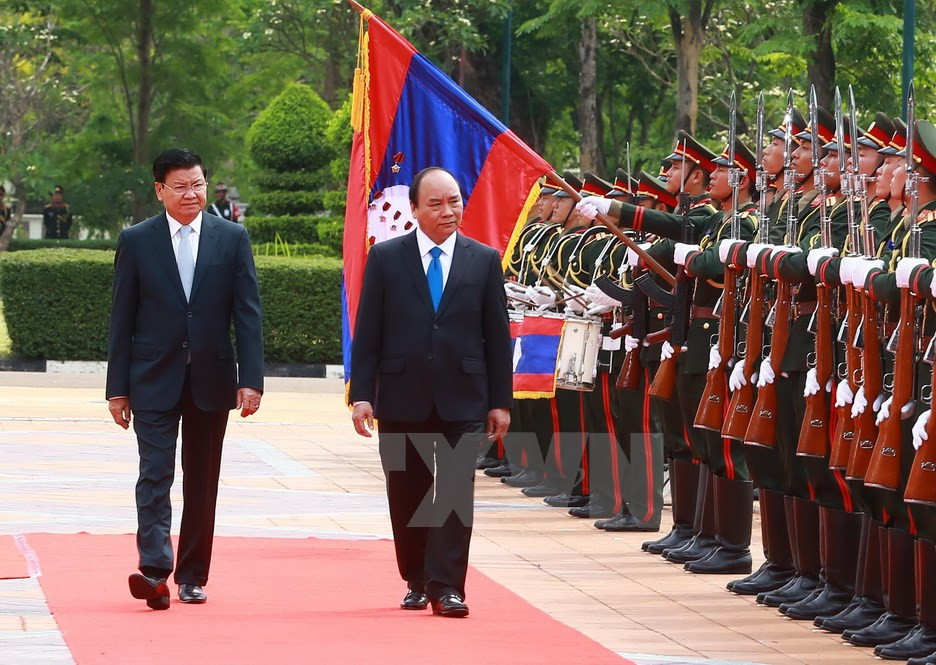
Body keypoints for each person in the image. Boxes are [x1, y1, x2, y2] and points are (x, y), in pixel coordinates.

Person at [349, 166, 513, 618]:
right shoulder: (385, 259)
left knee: (456, 491)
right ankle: (417, 577)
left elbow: (497, 338)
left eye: (454, 201)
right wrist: (362, 393)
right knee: (408, 492)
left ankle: (448, 587)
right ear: (415, 209)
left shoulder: (483, 260)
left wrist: (501, 400)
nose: (448, 211)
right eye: (436, 204)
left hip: (465, 395)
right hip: (402, 395)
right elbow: (368, 334)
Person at [105, 148, 264, 611]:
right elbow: (122, 317)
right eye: (180, 186)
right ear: (160, 191)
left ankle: (193, 575)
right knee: (154, 474)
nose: (191, 193)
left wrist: (250, 379)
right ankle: (155, 571)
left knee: (202, 480)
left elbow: (248, 315)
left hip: (212, 379)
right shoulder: (136, 240)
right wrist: (118, 387)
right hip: (152, 377)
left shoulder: (231, 238)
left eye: (197, 183)